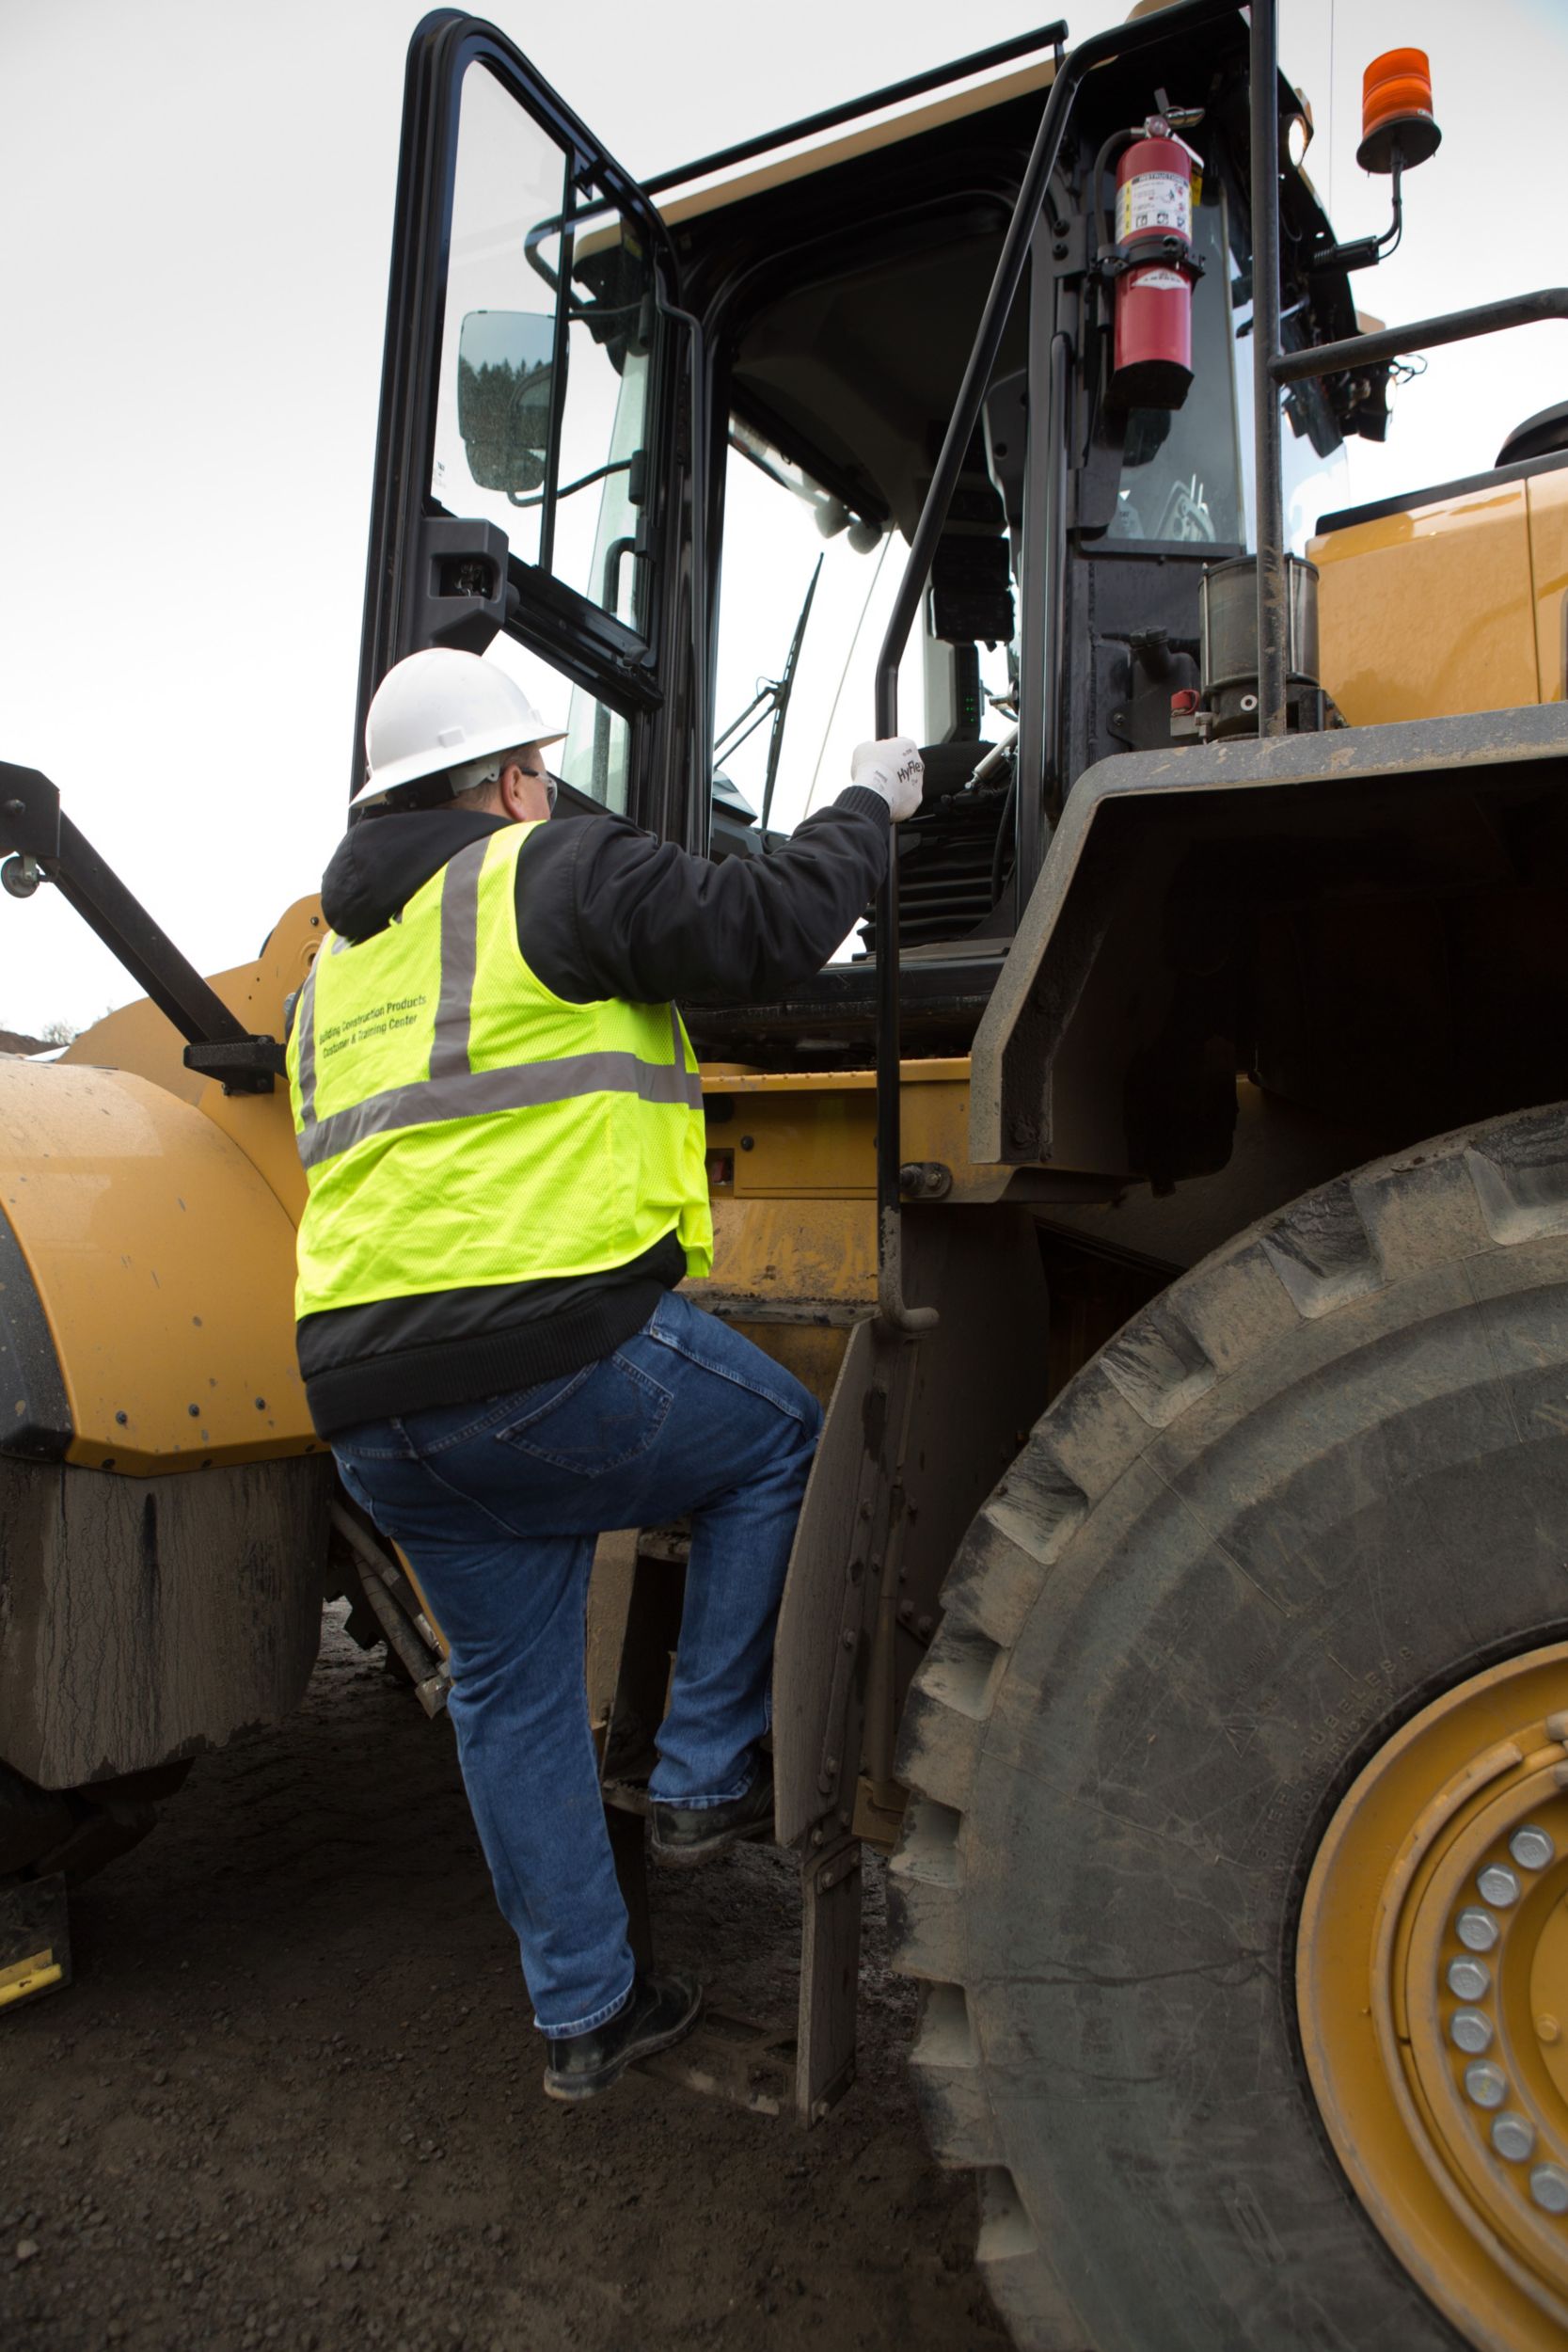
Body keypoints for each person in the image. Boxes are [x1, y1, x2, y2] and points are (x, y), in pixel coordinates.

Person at [286, 646, 923, 2101]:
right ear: (510, 782)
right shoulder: (541, 872)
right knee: (778, 1447)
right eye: (541, 773)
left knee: (510, 1693)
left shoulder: (331, 978)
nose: (549, 792)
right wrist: (866, 812)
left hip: (366, 1406)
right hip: (544, 1358)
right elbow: (767, 926)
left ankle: (586, 2018)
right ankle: (705, 1772)